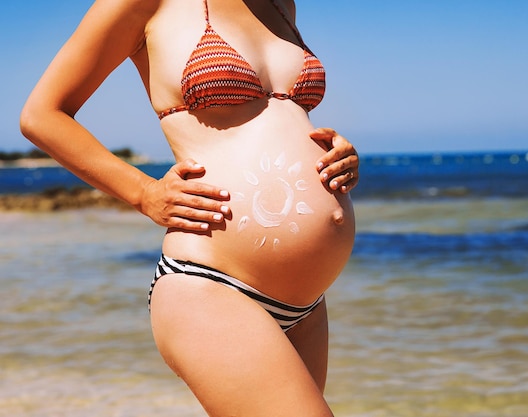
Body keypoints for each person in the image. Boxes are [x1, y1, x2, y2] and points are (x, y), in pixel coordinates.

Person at [20, 0, 359, 416]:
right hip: (213, 284)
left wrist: (335, 151)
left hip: (307, 304)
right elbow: (42, 114)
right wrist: (142, 192)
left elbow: (275, 118)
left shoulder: (280, 4)